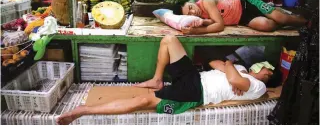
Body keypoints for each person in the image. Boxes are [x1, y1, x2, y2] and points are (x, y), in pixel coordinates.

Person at [57, 35, 278, 125]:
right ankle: (157, 79)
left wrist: (231, 71)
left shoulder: (258, 86)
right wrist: (232, 70)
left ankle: (84, 110)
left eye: (265, 68)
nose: (261, 68)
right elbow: (214, 63)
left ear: (267, 74)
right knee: (169, 40)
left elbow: (233, 78)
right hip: (195, 77)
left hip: (193, 94)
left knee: (143, 102)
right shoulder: (241, 68)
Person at [181, 0, 307, 34]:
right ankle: (274, 14)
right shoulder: (199, 17)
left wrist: (196, 31)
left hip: (246, 3)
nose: (193, 12)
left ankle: (306, 21)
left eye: (190, 7)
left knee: (282, 18)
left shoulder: (206, 2)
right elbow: (211, 22)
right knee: (266, 26)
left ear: (192, 2)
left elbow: (219, 26)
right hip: (242, 19)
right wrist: (203, 23)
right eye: (189, 14)